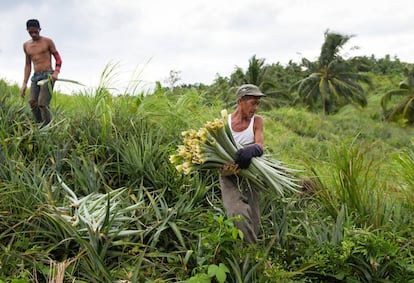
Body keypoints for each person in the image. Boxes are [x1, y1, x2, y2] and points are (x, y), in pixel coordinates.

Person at [220, 84, 265, 244]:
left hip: (251, 174)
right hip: (229, 177)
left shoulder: (257, 121)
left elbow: (260, 145)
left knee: (253, 218)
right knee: (237, 213)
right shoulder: (225, 123)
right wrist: (224, 167)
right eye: (253, 103)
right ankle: (251, 252)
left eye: (258, 103)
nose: (256, 107)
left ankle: (249, 253)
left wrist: (252, 150)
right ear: (241, 101)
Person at [20, 19, 62, 126]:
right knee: (32, 102)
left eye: (36, 32)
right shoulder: (26, 45)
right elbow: (28, 65)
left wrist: (56, 72)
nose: (33, 34)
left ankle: (48, 127)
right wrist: (24, 83)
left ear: (40, 29)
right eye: (30, 32)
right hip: (35, 77)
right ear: (27, 31)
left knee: (42, 104)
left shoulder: (47, 42)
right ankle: (39, 126)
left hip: (48, 75)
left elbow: (58, 59)